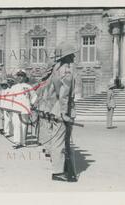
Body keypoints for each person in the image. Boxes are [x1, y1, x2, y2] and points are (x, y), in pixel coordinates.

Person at [40, 41, 77, 182]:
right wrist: (64, 113)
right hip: (63, 110)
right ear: (66, 56)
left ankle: (60, 168)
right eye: (71, 54)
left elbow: (50, 92)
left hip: (55, 108)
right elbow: (64, 95)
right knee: (60, 141)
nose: (74, 57)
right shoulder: (66, 70)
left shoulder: (56, 69)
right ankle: (58, 171)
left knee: (59, 140)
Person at [11, 70, 37, 148]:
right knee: (16, 125)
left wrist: (32, 103)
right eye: (18, 76)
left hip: (25, 108)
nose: (20, 77)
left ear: (25, 77)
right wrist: (10, 107)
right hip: (16, 108)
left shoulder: (28, 86)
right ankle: (16, 142)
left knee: (24, 125)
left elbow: (34, 96)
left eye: (21, 76)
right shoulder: (14, 87)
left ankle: (23, 142)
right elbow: (10, 98)